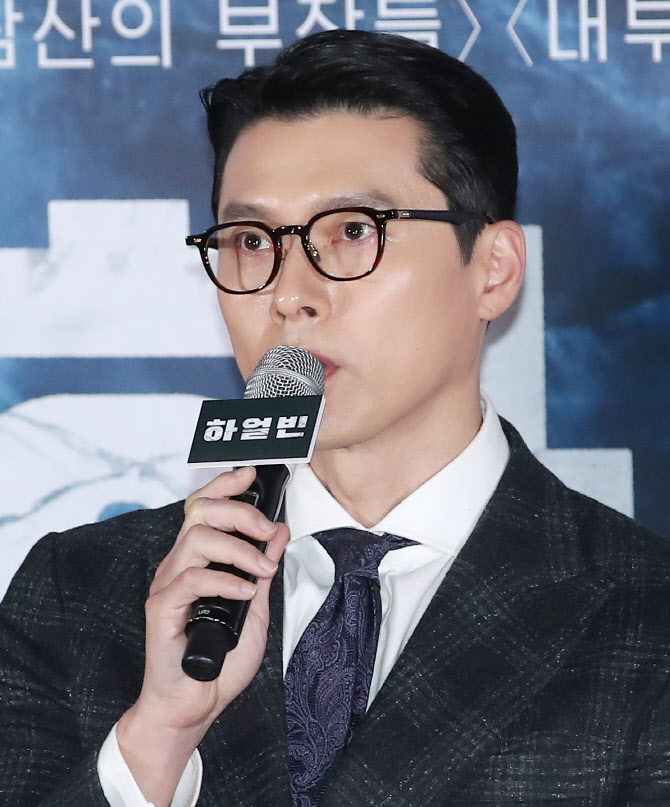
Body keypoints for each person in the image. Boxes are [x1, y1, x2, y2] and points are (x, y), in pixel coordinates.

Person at [1, 28, 669, 807]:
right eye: (252, 241)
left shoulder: (644, 614)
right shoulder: (78, 592)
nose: (289, 294)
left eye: (352, 231)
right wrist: (156, 739)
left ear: (493, 270)